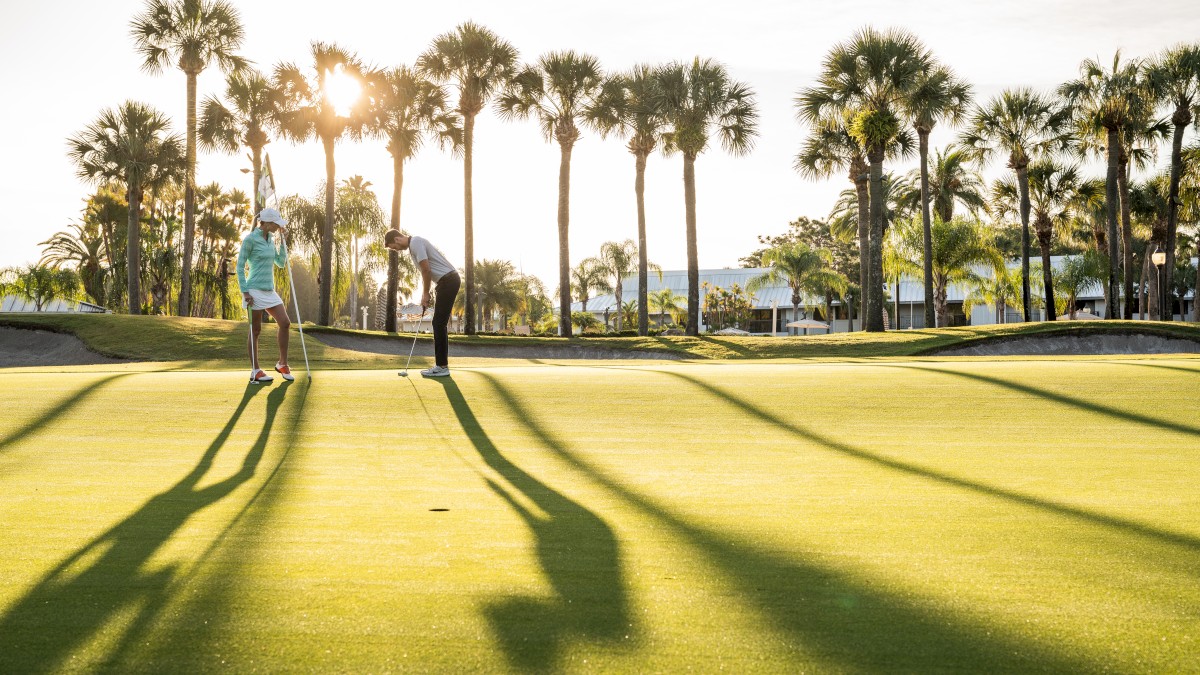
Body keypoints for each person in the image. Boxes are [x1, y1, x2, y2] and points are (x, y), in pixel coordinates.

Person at [383, 229, 460, 377]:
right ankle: (441, 365)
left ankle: (442, 367)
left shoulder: (416, 242)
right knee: (438, 322)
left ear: (397, 239)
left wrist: (425, 293)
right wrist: (427, 292)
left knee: (438, 323)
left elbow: (426, 270)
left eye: (394, 247)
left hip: (448, 281)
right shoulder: (413, 248)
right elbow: (426, 272)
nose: (396, 250)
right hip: (445, 282)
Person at [237, 207, 293, 384]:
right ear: (267, 223)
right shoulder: (250, 240)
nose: (278, 227)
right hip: (253, 289)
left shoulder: (270, 239)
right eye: (276, 224)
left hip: (269, 290)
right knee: (256, 330)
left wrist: (283, 243)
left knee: (285, 323)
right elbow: (239, 267)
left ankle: (282, 364)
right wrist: (245, 292)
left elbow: (280, 263)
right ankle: (256, 370)